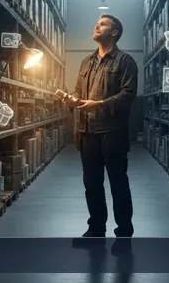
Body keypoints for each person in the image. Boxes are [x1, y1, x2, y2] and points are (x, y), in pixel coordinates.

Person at [65, 14, 138, 243]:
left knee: (118, 184)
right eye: (96, 22)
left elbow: (128, 95)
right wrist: (71, 101)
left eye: (103, 24)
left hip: (112, 133)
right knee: (92, 185)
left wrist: (99, 105)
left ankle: (124, 233)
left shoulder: (125, 61)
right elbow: (79, 93)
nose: (97, 25)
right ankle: (96, 230)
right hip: (87, 134)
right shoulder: (86, 62)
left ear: (114, 32)